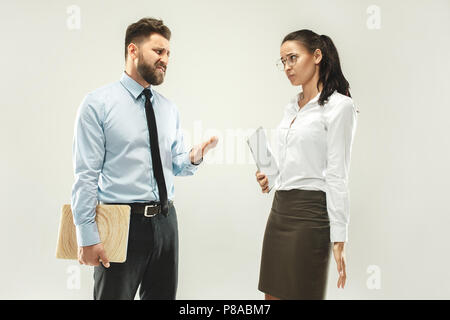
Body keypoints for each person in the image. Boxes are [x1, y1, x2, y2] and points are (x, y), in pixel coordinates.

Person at [71, 17, 218, 300]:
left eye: (168, 54)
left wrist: (195, 156)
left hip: (165, 222)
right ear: (133, 51)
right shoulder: (98, 104)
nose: (165, 59)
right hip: (121, 223)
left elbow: (175, 165)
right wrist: (87, 236)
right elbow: (85, 175)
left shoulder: (168, 109)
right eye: (158, 51)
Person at [255, 29, 359, 300]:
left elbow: (337, 175)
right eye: (283, 61)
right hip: (279, 211)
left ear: (316, 56)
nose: (287, 67)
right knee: (271, 296)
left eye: (292, 58)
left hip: (311, 215)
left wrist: (339, 238)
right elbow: (292, 165)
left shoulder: (340, 107)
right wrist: (270, 177)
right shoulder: (292, 107)